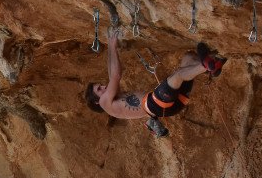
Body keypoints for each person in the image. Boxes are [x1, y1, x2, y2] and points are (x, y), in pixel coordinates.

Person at [84, 28, 225, 137]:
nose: (103, 86)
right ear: (97, 102)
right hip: (154, 104)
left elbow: (111, 75)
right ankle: (207, 66)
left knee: (188, 57)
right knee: (178, 75)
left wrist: (110, 46)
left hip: (172, 105)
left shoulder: (112, 100)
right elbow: (116, 76)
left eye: (100, 85)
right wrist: (112, 47)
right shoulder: (104, 102)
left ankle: (213, 64)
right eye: (99, 89)